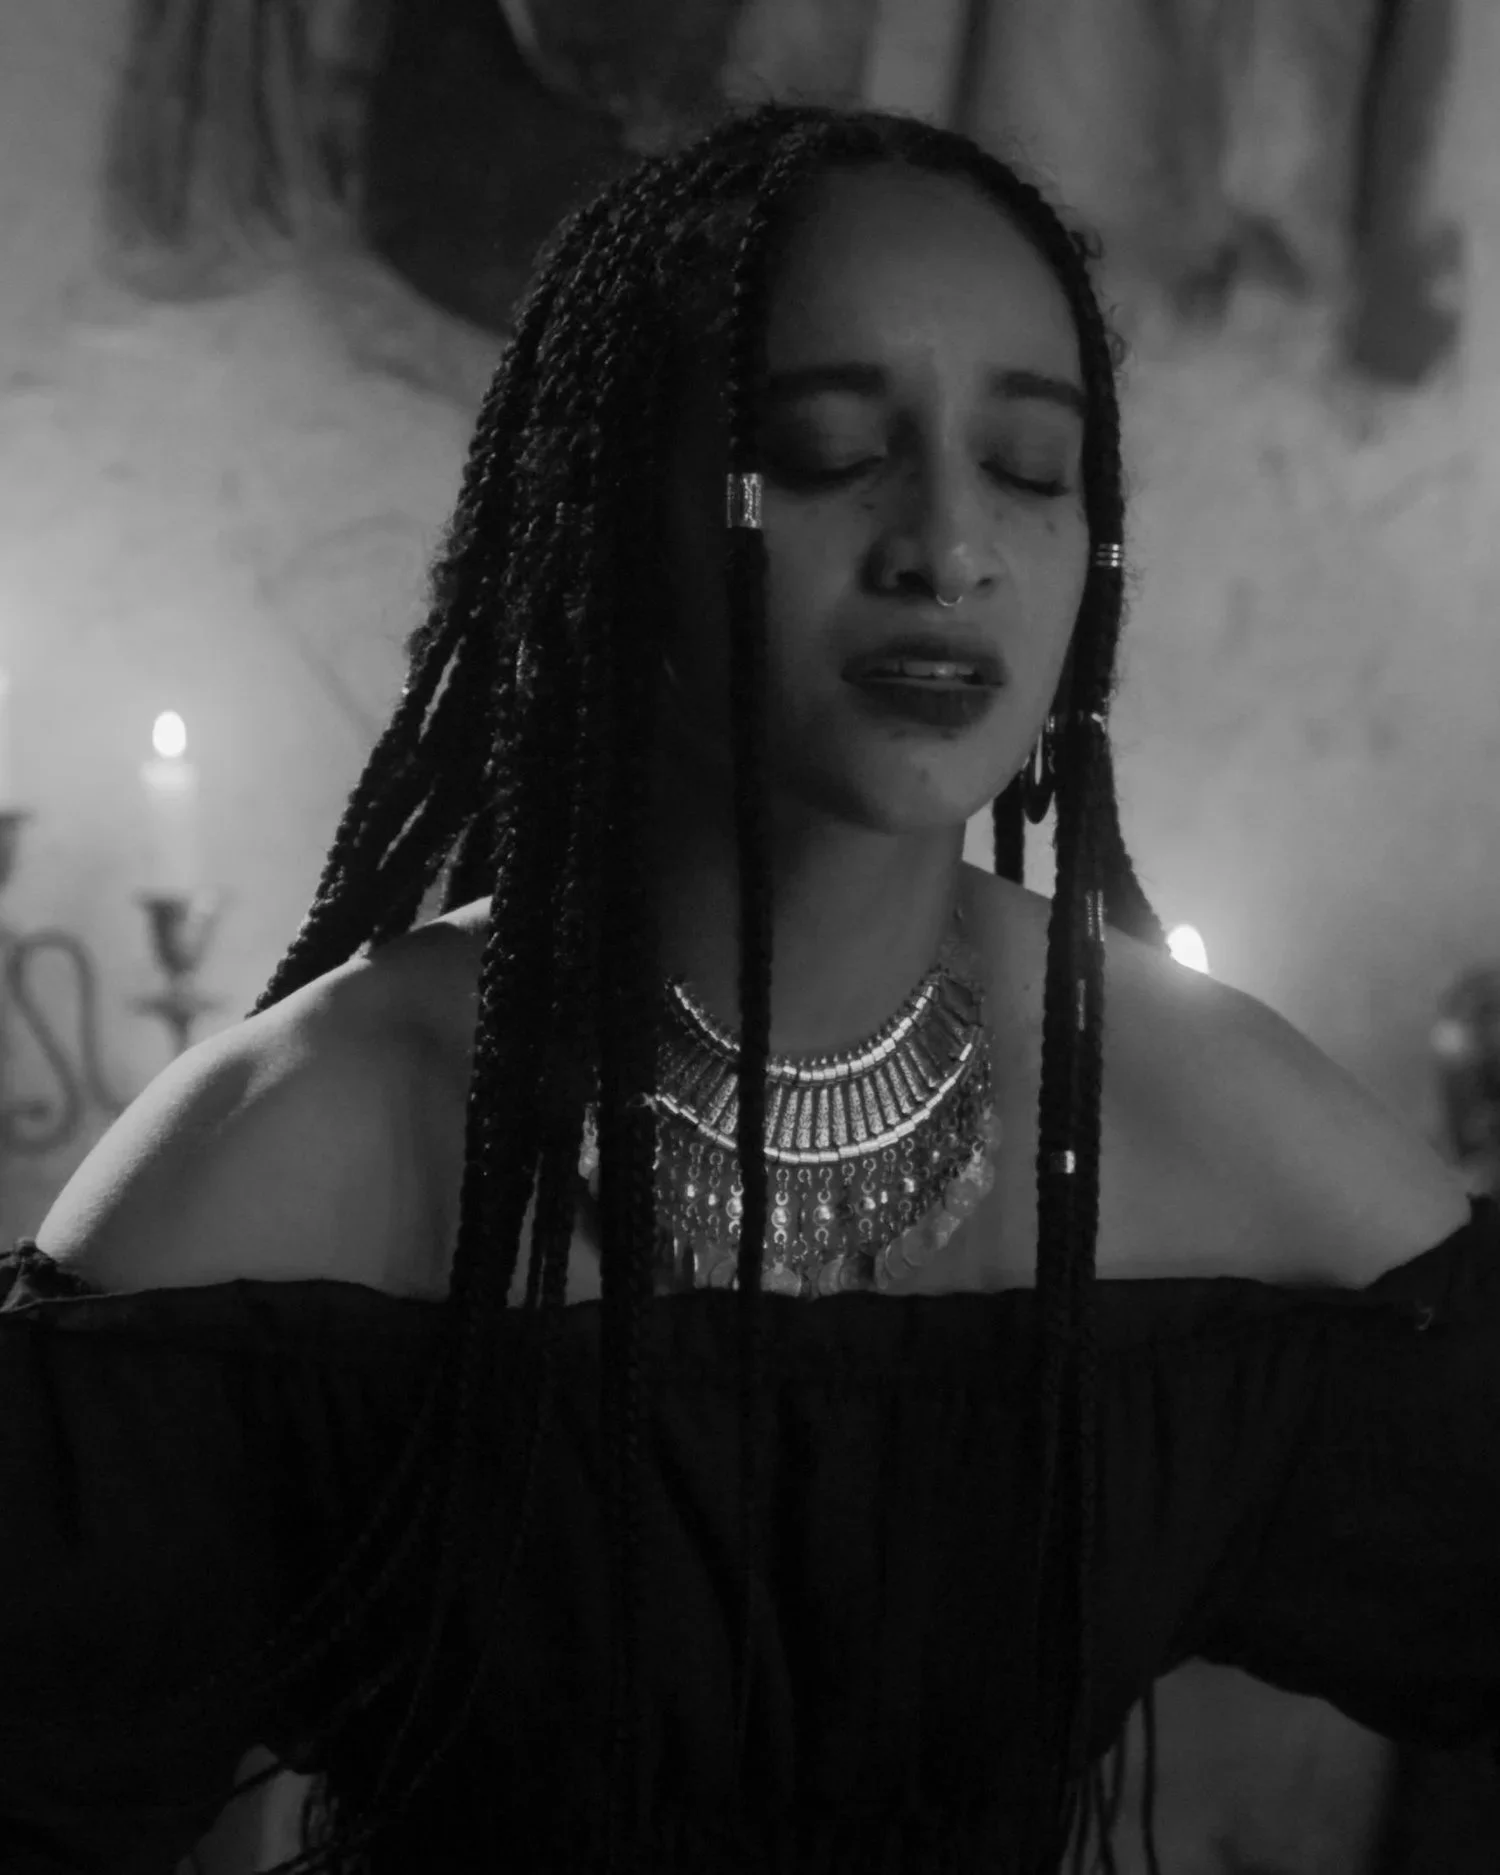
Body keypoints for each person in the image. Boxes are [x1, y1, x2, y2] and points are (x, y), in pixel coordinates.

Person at [1, 98, 1491, 1875]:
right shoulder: (316, 1136)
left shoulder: (1185, 1103)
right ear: (609, 517)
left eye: (1031, 467)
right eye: (827, 450)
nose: (948, 546)